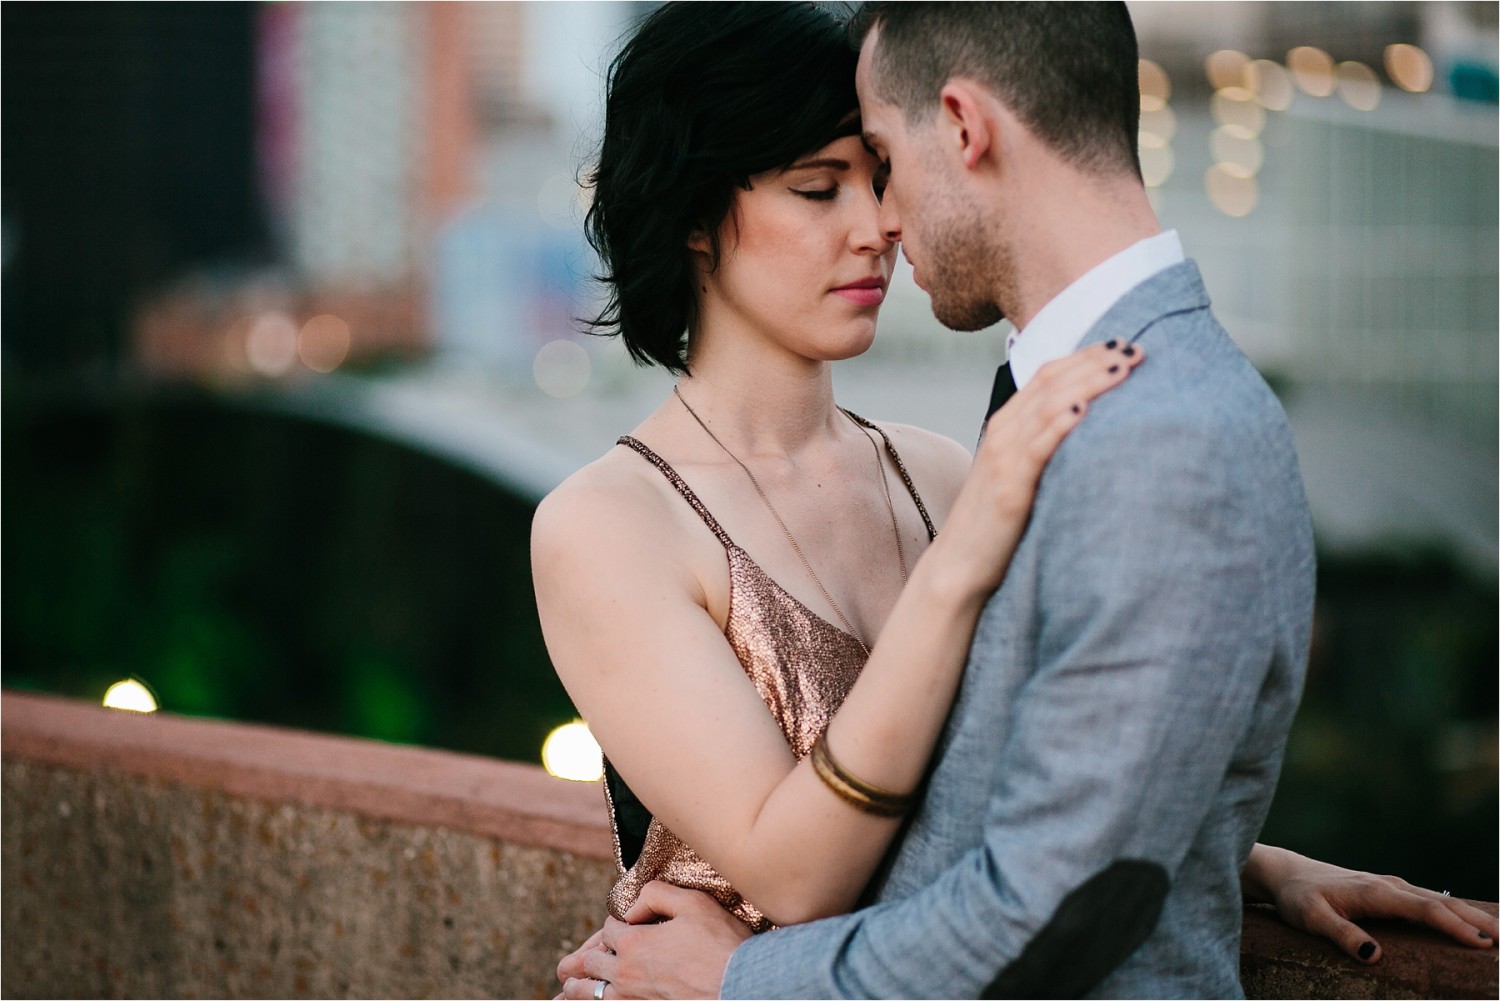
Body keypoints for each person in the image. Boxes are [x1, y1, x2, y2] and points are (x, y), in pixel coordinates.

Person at [540, 4, 1499, 999]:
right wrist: (955, 568)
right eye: (820, 189)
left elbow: (1013, 777)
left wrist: (1240, 856)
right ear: (695, 217)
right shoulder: (609, 522)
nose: (876, 227)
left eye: (879, 175)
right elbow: (795, 875)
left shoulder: (944, 469)